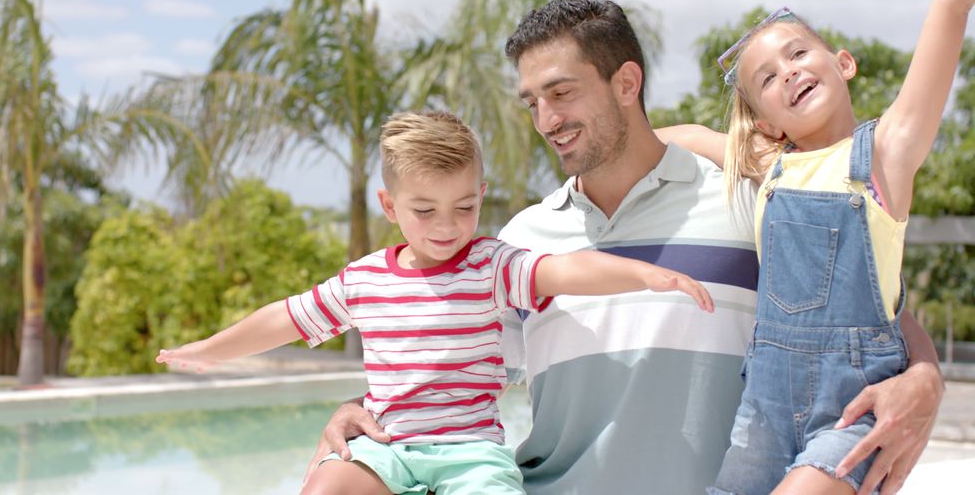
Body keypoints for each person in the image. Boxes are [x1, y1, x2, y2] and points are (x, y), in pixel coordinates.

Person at [307, 0, 946, 495]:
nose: (546, 120)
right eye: (532, 102)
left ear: (626, 82)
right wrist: (359, 411)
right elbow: (443, 360)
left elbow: (852, 299)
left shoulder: (742, 197)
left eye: (562, 92)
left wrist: (923, 376)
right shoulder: (522, 242)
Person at [158, 110, 717, 495]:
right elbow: (285, 316)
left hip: (470, 453)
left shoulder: (491, 264)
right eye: (425, 210)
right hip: (386, 445)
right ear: (390, 204)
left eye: (465, 207)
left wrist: (645, 273)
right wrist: (212, 348)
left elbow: (566, 270)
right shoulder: (364, 279)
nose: (448, 227)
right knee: (326, 483)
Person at [653, 0, 975, 494]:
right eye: (766, 80)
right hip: (762, 417)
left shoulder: (887, 154)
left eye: (798, 54)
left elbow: (949, 7)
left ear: (843, 63)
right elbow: (674, 138)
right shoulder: (769, 165)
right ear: (768, 123)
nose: (787, 73)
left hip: (853, 412)